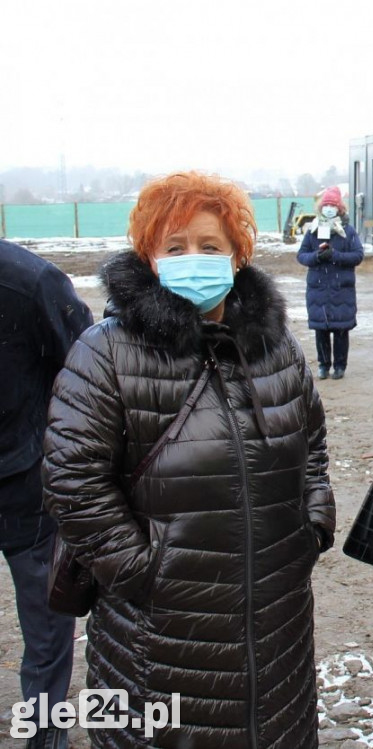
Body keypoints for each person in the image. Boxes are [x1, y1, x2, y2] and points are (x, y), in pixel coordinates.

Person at [42, 171, 336, 748]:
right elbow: (72, 478)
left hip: (276, 626)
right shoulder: (106, 351)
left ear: (237, 255)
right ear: (150, 257)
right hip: (160, 634)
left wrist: (312, 524)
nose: (192, 259)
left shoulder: (277, 349)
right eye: (175, 247)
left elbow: (314, 446)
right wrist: (140, 569)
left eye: (209, 246)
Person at [1, 239, 93, 749]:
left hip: (27, 490)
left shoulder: (30, 280)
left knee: (46, 624)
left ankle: (44, 736)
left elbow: (85, 372)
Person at [297, 185, 364, 380]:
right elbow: (301, 255)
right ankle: (323, 365)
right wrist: (317, 256)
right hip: (318, 289)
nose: (329, 209)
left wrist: (335, 255)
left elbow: (358, 256)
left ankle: (340, 366)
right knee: (321, 331)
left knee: (341, 330)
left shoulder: (348, 232)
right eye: (326, 205)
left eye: (332, 206)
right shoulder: (313, 231)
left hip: (341, 290)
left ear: (339, 209)